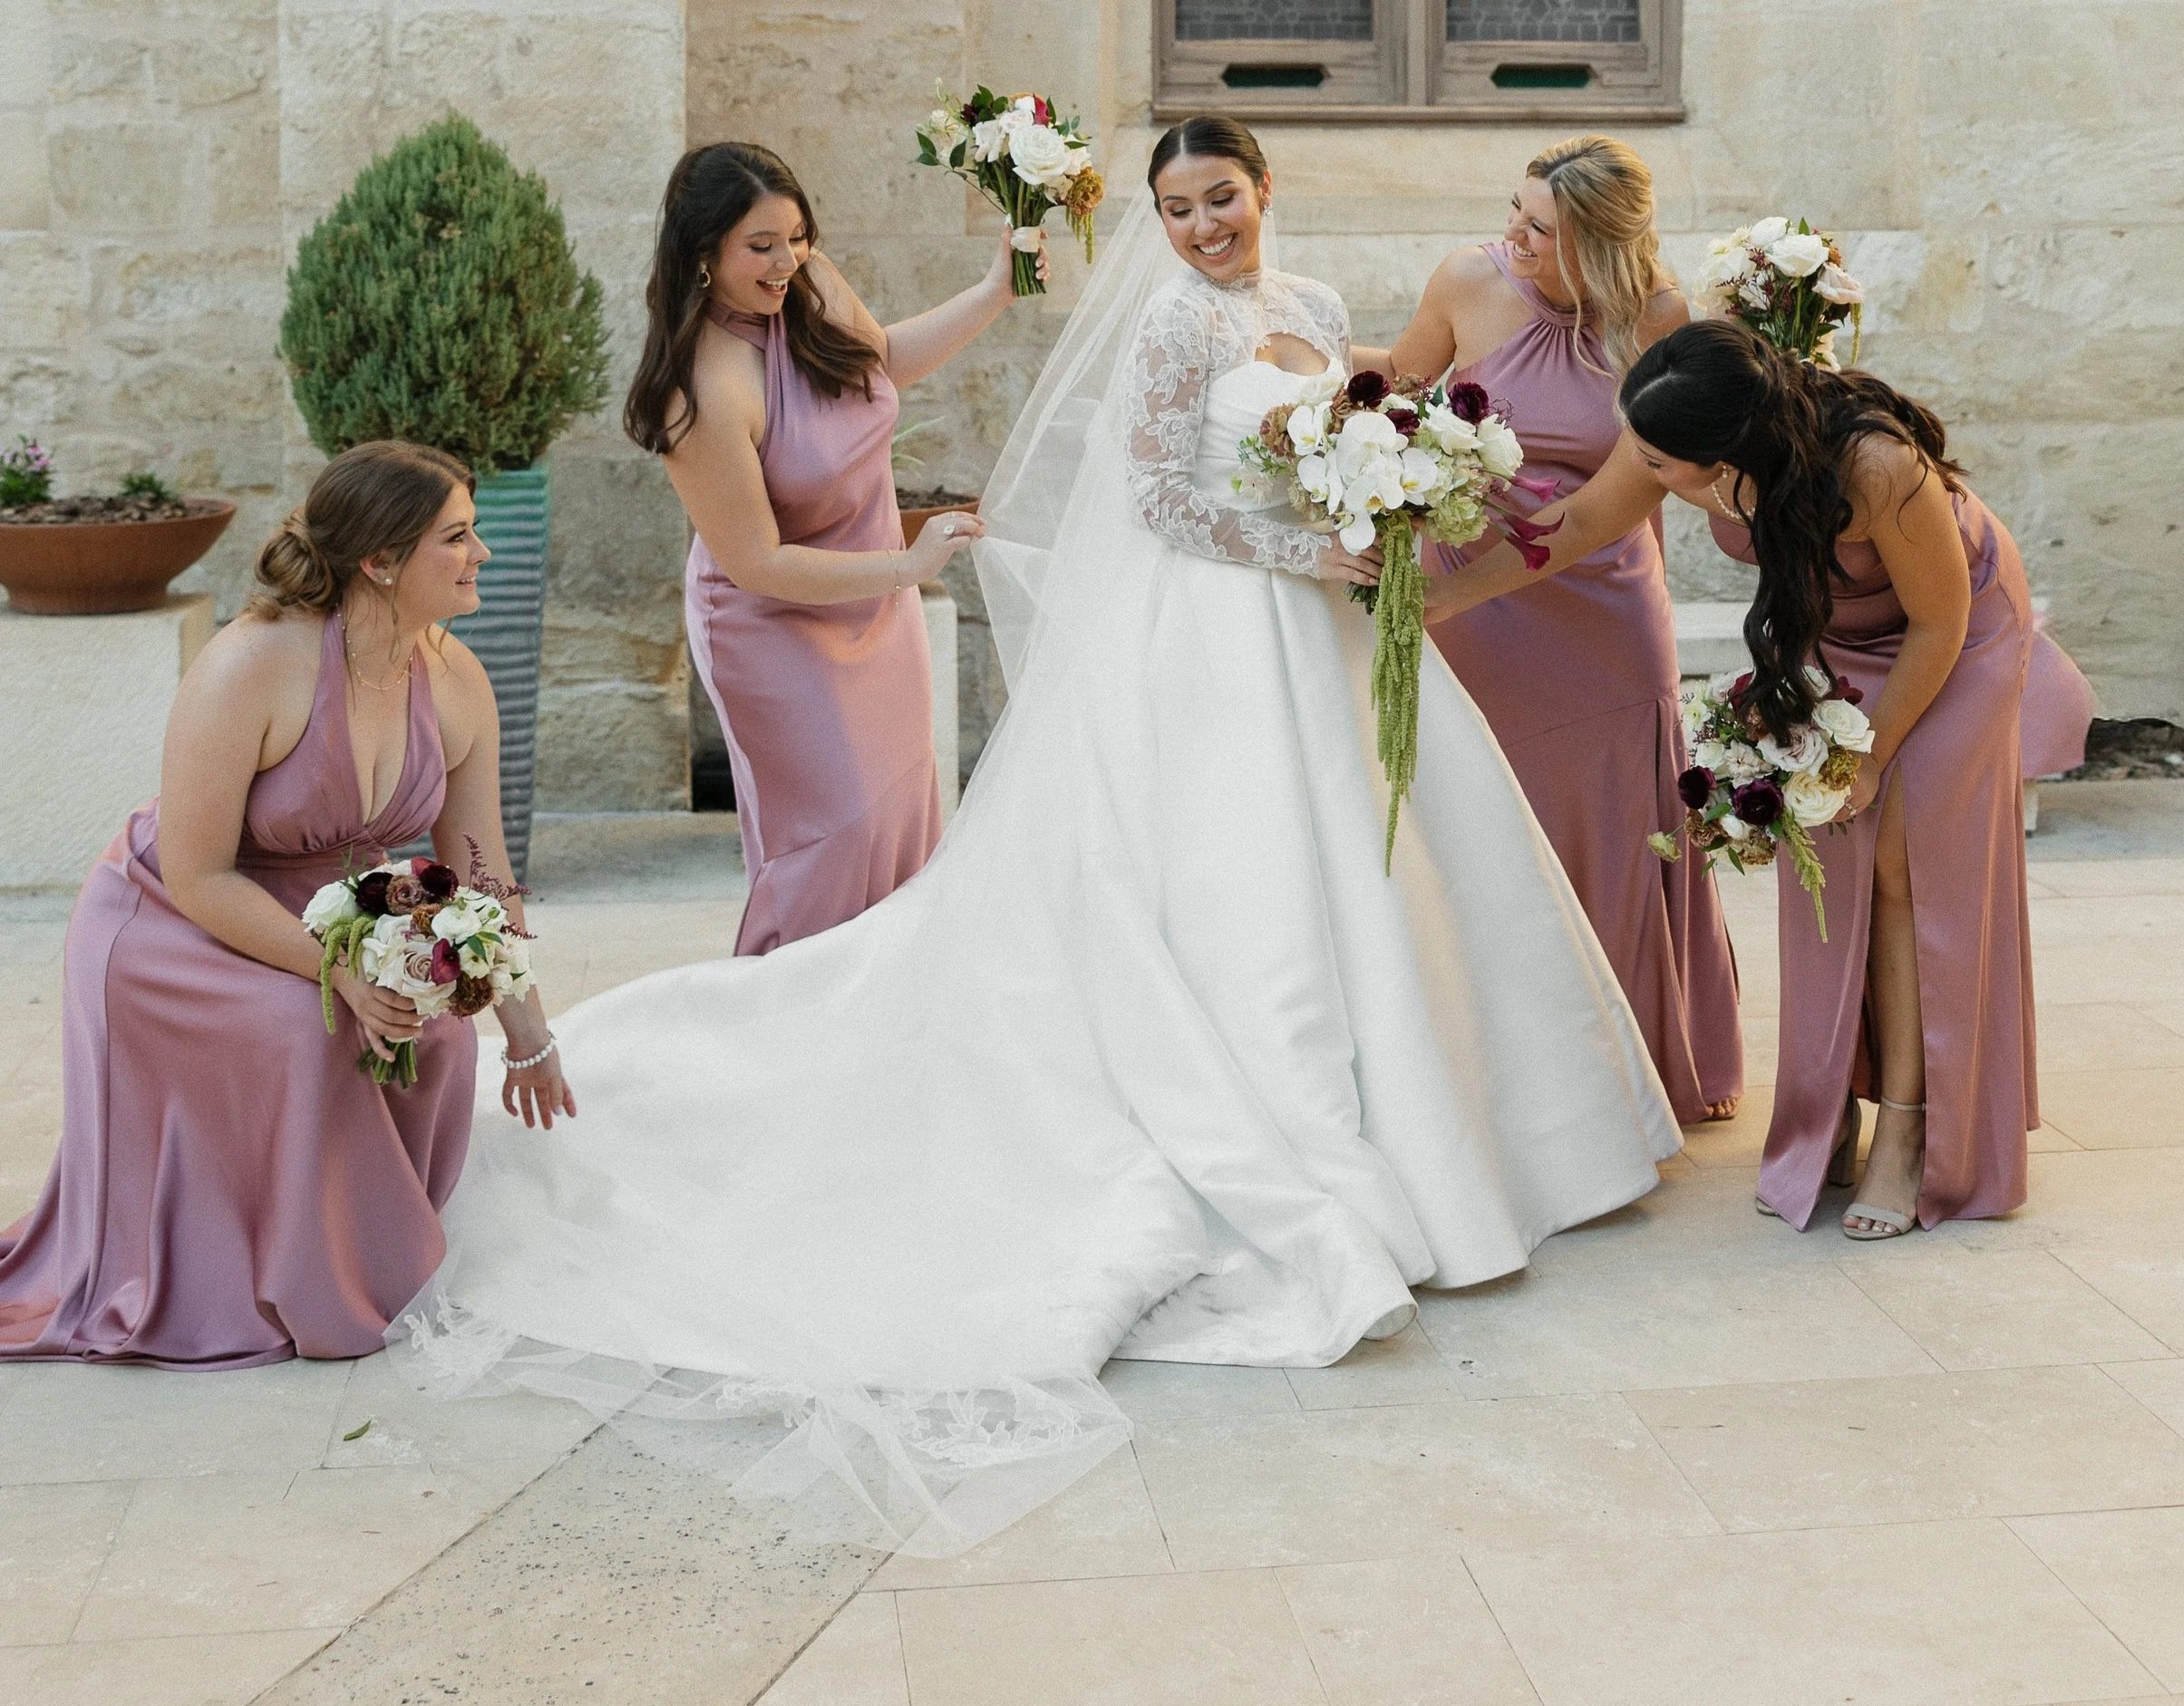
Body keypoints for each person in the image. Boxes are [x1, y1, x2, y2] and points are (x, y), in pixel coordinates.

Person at [398, 116, 1678, 1558]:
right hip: (1212, 634)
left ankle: (1465, 1133)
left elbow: (1352, 432)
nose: (1203, 227)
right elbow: (1162, 500)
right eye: (1178, 207)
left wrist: (1378, 502)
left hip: (1320, 625)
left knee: (1397, 870)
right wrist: (1305, 546)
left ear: (1267, 193)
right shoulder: (1171, 332)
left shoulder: (1316, 313)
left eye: (1223, 198)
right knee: (1237, 893)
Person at [1425, 319, 2041, 1238]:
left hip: (1955, 642)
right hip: (1833, 635)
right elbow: (1584, 522)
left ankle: (1910, 1132)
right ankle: (1829, 1107)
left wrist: (1870, 760)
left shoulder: (1874, 467)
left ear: (1726, 462)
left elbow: (1940, 623)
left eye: (1662, 462)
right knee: (1822, 867)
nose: (1642, 468)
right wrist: (1437, 599)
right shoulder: (1672, 439)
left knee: (1903, 869)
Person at [0, 441, 568, 1367]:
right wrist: (341, 973)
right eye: (456, 537)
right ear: (380, 561)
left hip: (333, 913)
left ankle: (382, 1270)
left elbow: (481, 869)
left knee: (442, 1035)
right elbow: (197, 873)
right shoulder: (253, 665)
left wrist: (528, 1029)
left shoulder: (457, 680)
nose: (483, 555)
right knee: (315, 1032)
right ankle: (280, 1286)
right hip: (172, 924)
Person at [1361, 137, 1742, 1123]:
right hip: (1472, 607)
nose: (1513, 235)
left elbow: (1606, 509)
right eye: (1515, 211)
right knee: (1482, 821)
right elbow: (1396, 389)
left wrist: (1456, 594)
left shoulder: (1656, 316)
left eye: (1542, 228)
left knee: (1616, 820)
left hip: (1599, 603)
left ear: (1602, 248)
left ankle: (1623, 1077)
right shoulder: (1467, 279)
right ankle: (1492, 1074)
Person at [625, 142, 1037, 954]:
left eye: (798, 236)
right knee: (838, 834)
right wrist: (908, 568)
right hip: (771, 626)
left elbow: (877, 363)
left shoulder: (806, 287)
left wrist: (996, 291)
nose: (788, 260)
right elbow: (757, 563)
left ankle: (882, 1027)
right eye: (761, 246)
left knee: (898, 813)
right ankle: (785, 1032)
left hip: (875, 610)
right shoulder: (702, 387)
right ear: (702, 254)